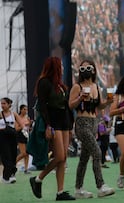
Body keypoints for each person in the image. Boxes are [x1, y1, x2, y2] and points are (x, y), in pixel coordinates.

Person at [29, 56, 75, 200]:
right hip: (53, 121)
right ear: (54, 67)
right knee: (59, 156)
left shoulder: (61, 85)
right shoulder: (44, 82)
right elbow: (42, 106)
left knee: (63, 158)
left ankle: (60, 192)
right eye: (60, 65)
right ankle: (38, 179)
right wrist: (48, 125)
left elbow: (66, 106)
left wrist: (71, 125)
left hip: (65, 122)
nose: (62, 67)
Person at [68, 59, 115, 198]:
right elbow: (70, 105)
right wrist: (80, 99)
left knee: (84, 158)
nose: (86, 71)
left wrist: (108, 102)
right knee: (97, 152)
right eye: (82, 68)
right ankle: (101, 186)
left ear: (93, 70)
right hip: (82, 123)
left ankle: (78, 189)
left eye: (88, 68)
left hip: (94, 122)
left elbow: (99, 106)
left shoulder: (96, 86)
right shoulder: (77, 87)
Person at [0, 97, 24, 184]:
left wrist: (13, 130)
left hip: (12, 137)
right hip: (3, 137)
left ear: (9, 104)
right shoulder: (0, 114)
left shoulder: (13, 114)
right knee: (6, 157)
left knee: (13, 156)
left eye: (4, 103)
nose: (2, 105)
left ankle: (11, 174)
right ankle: (6, 177)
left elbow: (21, 124)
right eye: (1, 103)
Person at [15, 104, 32, 174]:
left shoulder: (27, 118)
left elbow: (28, 128)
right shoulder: (18, 118)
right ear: (21, 110)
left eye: (26, 109)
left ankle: (26, 168)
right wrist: (23, 126)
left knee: (27, 153)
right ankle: (13, 163)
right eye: (24, 109)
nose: (25, 111)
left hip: (26, 135)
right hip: (20, 136)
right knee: (23, 153)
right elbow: (16, 128)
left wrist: (30, 124)